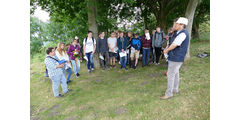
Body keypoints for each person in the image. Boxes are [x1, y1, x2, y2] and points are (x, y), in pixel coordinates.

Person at [160, 17, 189, 100]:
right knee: (175, 74)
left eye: (176, 24)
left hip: (176, 57)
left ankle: (169, 93)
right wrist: (167, 48)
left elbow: (175, 44)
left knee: (170, 74)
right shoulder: (177, 32)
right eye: (174, 23)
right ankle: (175, 89)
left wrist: (167, 50)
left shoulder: (183, 33)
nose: (174, 25)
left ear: (182, 25)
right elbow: (172, 42)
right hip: (175, 56)